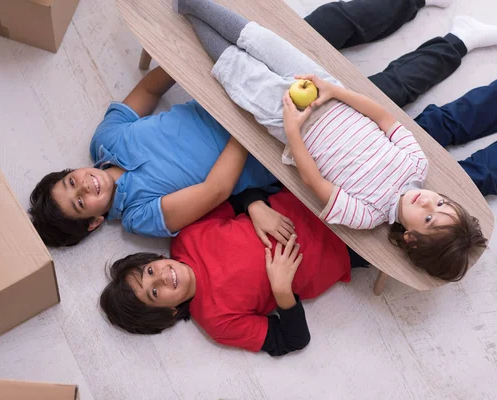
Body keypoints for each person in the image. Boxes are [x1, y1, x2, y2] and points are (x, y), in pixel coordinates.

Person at [175, 0, 490, 281]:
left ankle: (186, 10)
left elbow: (313, 180)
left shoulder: (367, 217)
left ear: (410, 239)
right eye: (441, 202)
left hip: (287, 120)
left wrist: (293, 128)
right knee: (260, 39)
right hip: (326, 91)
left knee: (236, 68)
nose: (427, 202)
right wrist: (334, 90)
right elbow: (384, 118)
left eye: (429, 217)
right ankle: (192, 3)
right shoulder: (416, 164)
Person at [101, 189, 366, 356]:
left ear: (155, 258)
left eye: (149, 270)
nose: (160, 276)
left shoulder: (186, 237)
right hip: (344, 248)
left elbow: (237, 196)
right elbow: (292, 340)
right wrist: (282, 290)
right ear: (168, 311)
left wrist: (255, 207)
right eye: (155, 292)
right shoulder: (218, 322)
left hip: (309, 192)